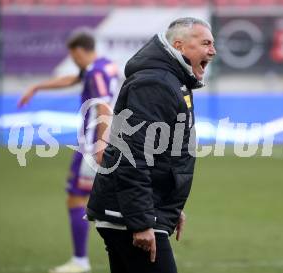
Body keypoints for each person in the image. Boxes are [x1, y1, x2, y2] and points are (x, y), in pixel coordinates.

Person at [86, 17, 216, 273]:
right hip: (128, 217)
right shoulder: (155, 83)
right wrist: (142, 221)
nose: (213, 50)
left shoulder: (173, 80)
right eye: (206, 43)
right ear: (179, 46)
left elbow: (162, 153)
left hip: (135, 211)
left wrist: (170, 203)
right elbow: (132, 155)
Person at [18, 29, 119, 273]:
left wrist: (100, 144)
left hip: (93, 143)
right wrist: (38, 86)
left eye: (74, 56)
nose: (74, 61)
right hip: (111, 138)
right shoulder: (105, 65)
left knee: (77, 197)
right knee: (114, 198)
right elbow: (73, 79)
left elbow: (103, 108)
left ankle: (80, 261)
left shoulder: (95, 71)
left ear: (81, 51)